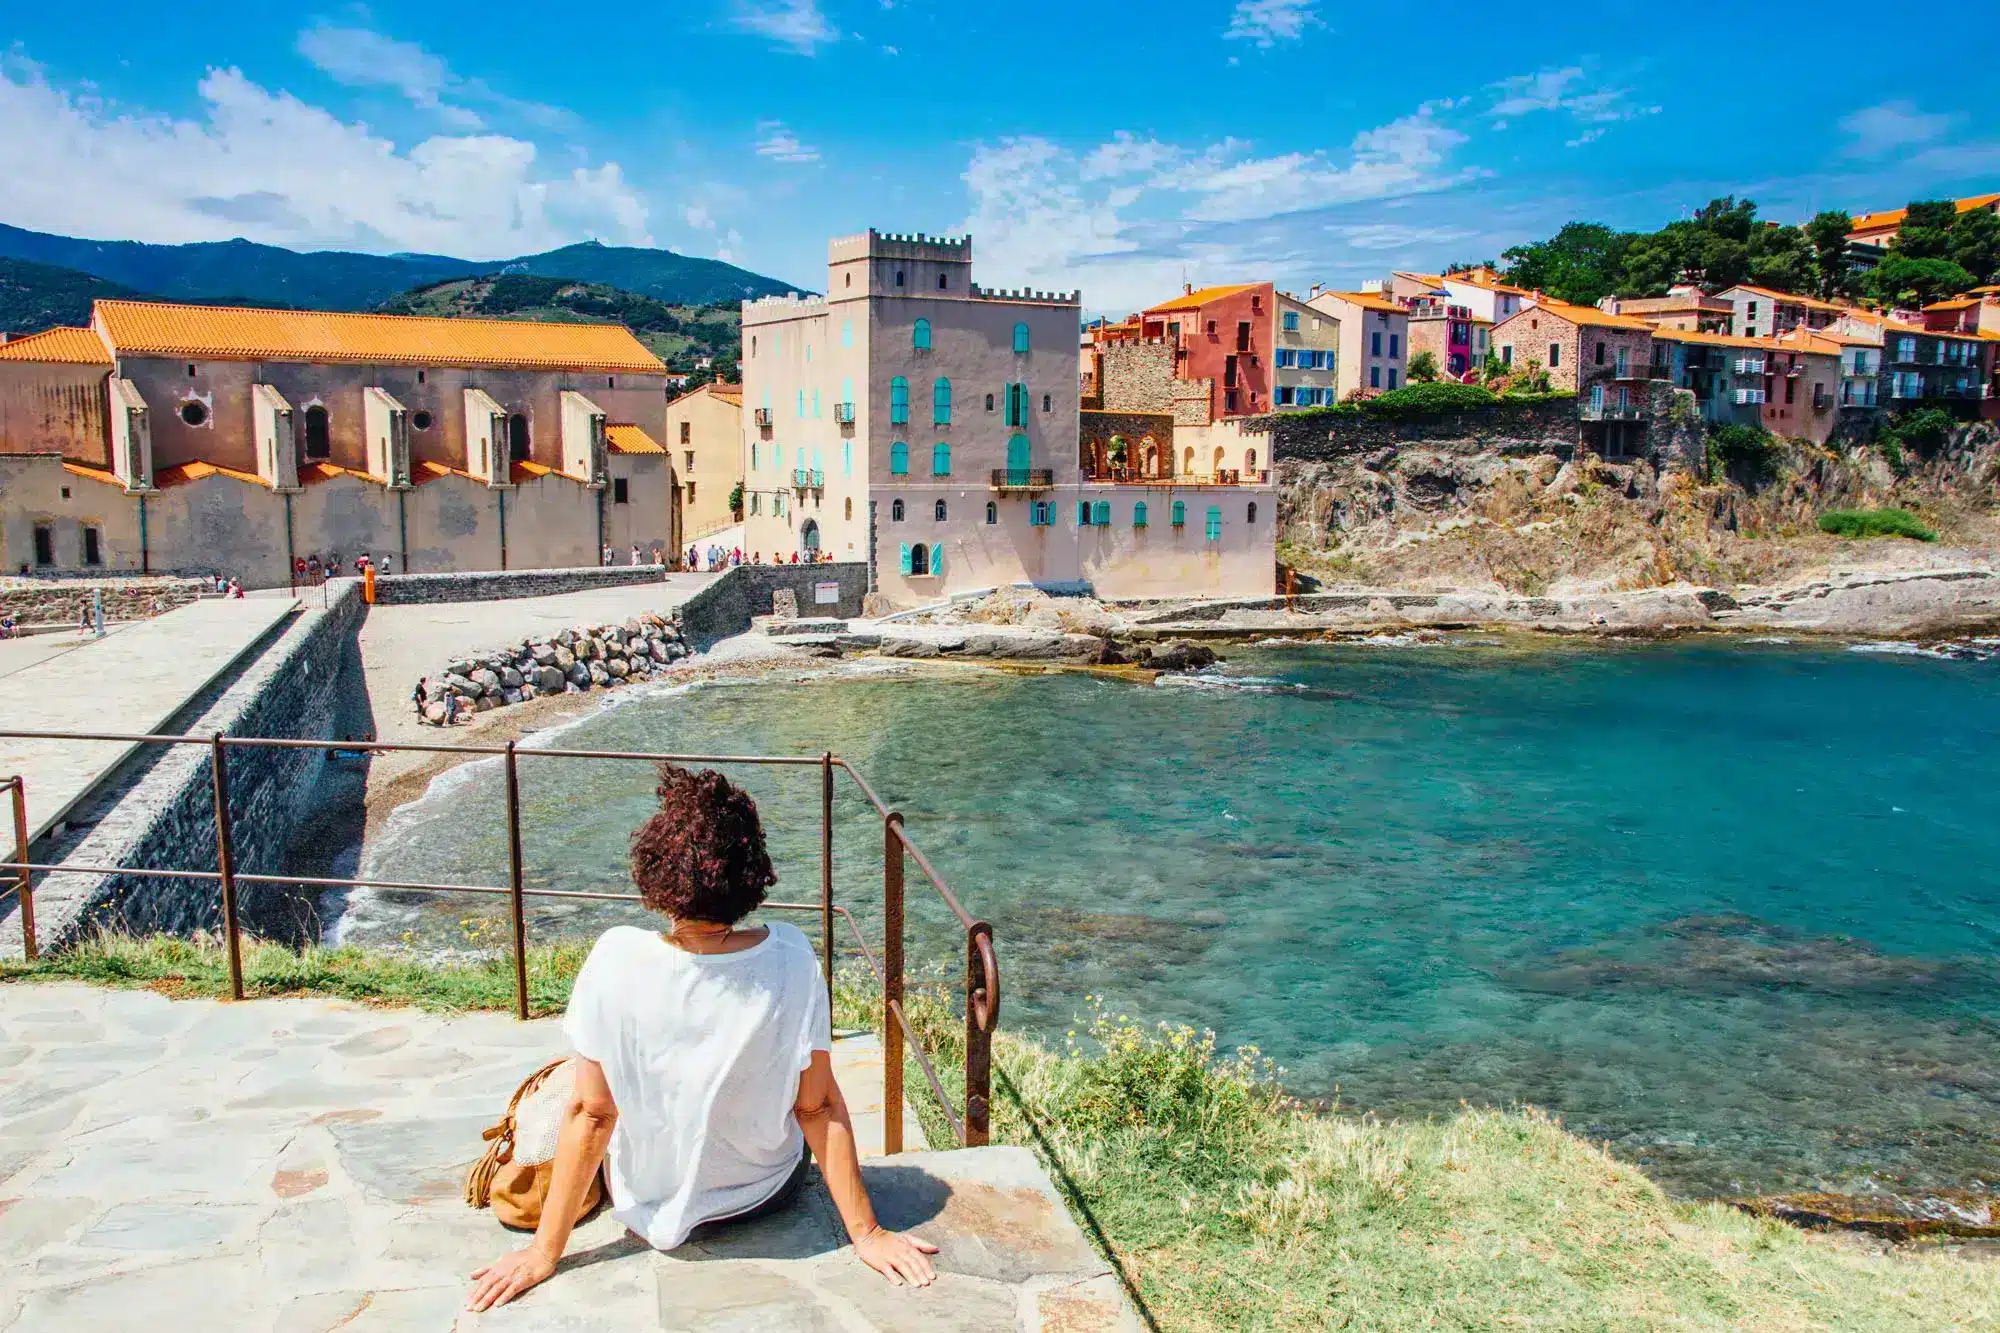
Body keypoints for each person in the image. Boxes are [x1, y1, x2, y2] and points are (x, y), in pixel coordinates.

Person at [465, 766, 937, 1312]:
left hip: (643, 1193)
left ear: (656, 868)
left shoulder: (615, 957)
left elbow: (593, 1114)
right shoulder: (791, 956)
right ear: (752, 874)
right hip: (761, 1194)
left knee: (580, 1078)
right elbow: (818, 1105)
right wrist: (869, 1232)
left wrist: (544, 1254)